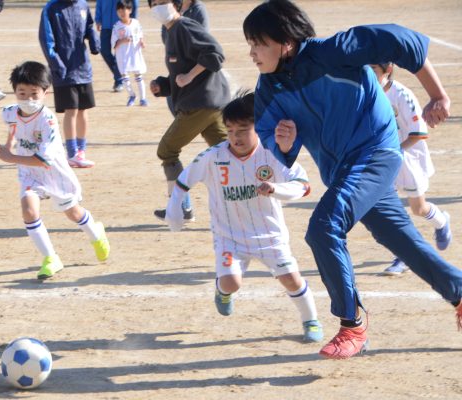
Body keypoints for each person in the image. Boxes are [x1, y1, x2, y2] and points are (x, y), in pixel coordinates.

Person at [243, 0, 462, 359]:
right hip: (342, 172)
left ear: (285, 41)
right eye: (249, 44)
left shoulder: (334, 51)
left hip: (376, 153)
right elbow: (270, 136)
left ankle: (352, 323)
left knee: (323, 227)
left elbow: (404, 41)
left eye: (257, 43)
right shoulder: (270, 86)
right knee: (402, 241)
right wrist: (282, 143)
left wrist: (438, 94)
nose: (251, 53)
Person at [164, 91, 324, 342]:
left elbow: (303, 185)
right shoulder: (213, 157)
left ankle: (311, 320)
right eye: (230, 131)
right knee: (231, 283)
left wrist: (276, 189)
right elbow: (184, 179)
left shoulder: (273, 153)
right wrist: (174, 207)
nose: (235, 137)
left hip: (270, 236)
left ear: (258, 128)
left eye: (242, 130)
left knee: (291, 280)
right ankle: (222, 292)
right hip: (229, 237)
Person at [0, 61, 110, 280]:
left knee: (73, 213)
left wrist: (10, 157)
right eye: (22, 93)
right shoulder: (8, 112)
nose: (28, 99)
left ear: (46, 92)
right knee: (28, 209)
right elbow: (12, 125)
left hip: (53, 172)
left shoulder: (47, 120)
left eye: (34, 94)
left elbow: (44, 161)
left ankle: (96, 232)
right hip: (29, 172)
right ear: (15, 91)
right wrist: (9, 143)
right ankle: (51, 258)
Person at [148, 0, 230, 222]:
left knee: (167, 150)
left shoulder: (184, 26)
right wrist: (162, 85)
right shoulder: (170, 32)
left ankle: (180, 208)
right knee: (229, 155)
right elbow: (181, 74)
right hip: (209, 103)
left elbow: (215, 54)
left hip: (200, 104)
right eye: (153, 3)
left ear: (175, 4)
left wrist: (190, 76)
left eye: (162, 1)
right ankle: (246, 203)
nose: (158, 6)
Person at [370, 63, 452, 276]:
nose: (367, 73)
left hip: (409, 158)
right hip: (384, 160)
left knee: (418, 208)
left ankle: (441, 221)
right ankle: (403, 256)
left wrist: (394, 151)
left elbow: (418, 133)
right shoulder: (366, 93)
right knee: (392, 209)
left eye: (373, 69)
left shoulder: (402, 95)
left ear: (386, 70)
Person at [39, 0, 100, 168]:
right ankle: (72, 152)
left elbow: (89, 26)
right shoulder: (51, 8)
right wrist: (57, 63)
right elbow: (46, 40)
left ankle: (81, 151)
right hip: (64, 69)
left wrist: (94, 42)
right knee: (71, 110)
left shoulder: (82, 5)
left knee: (83, 110)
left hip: (82, 66)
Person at [160, 0, 210, 116]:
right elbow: (165, 37)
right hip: (178, 70)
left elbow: (205, 41)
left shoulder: (198, 9)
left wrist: (190, 75)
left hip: (196, 70)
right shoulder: (171, 7)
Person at [95, 0, 138, 92]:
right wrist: (98, 19)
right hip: (105, 25)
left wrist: (133, 20)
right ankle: (120, 75)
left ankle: (118, 81)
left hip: (121, 24)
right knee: (103, 50)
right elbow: (99, 2)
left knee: (118, 53)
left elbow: (134, 3)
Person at [111, 0, 147, 107]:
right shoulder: (116, 26)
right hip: (123, 55)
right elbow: (114, 43)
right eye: (119, 10)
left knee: (138, 75)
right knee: (125, 76)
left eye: (124, 9)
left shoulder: (135, 23)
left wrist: (142, 41)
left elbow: (140, 34)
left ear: (130, 10)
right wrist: (122, 41)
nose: (122, 12)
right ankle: (132, 95)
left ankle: (143, 98)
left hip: (134, 53)